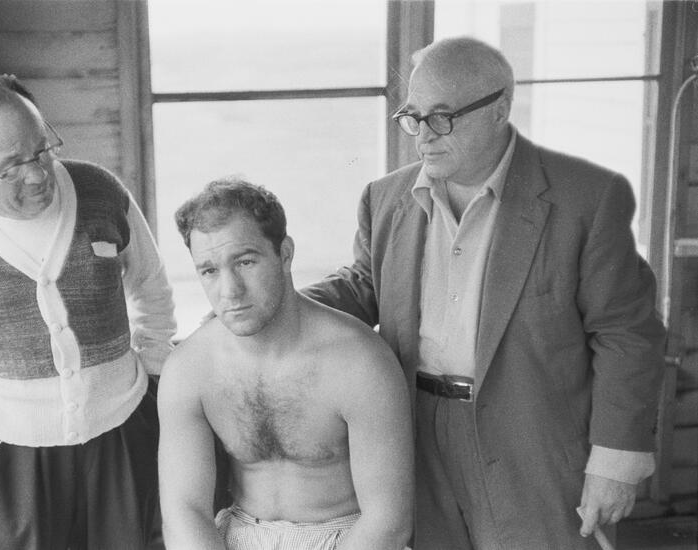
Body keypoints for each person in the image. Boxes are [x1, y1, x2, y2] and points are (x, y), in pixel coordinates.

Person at [302, 36, 666, 549]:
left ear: (499, 109)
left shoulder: (587, 198)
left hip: (535, 439)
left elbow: (626, 333)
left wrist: (615, 463)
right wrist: (279, 307)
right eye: (413, 117)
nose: (423, 137)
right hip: (415, 433)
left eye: (442, 117)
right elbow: (365, 285)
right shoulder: (384, 198)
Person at [0, 73, 176, 549]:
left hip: (120, 431)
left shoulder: (101, 192)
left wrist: (155, 378)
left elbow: (151, 290)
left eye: (41, 150)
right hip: (4, 451)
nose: (37, 175)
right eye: (11, 167)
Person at [157, 178, 414, 550]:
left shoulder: (360, 361)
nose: (230, 291)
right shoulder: (189, 368)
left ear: (285, 254)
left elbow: (387, 521)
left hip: (347, 538)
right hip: (240, 535)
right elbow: (184, 511)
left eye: (245, 262)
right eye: (209, 271)